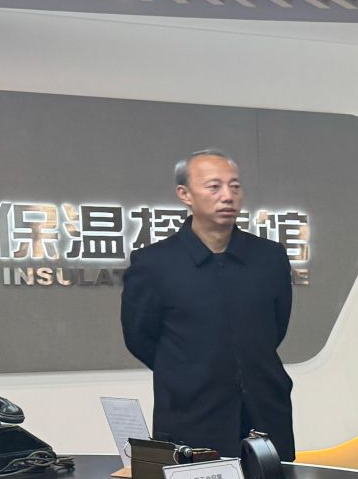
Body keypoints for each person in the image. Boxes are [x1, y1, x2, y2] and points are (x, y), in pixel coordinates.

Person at [121, 150, 296, 460]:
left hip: (265, 412)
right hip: (190, 415)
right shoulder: (154, 263)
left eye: (234, 186)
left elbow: (275, 327)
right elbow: (140, 338)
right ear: (185, 194)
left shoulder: (269, 257)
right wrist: (187, 371)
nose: (227, 196)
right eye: (214, 187)